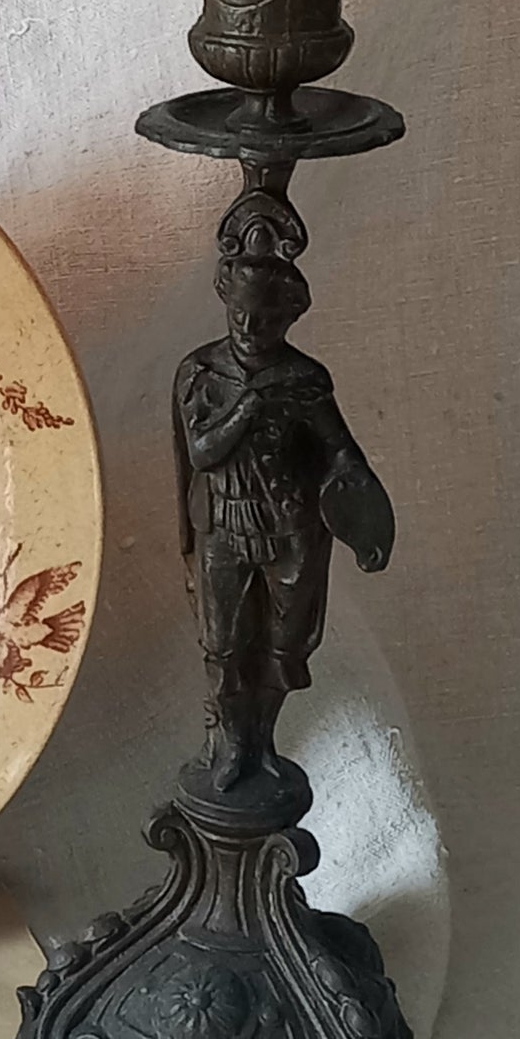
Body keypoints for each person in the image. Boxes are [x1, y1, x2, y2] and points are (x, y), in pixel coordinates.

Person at [174, 193, 394, 795]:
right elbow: (198, 453)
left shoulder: (304, 379)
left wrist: (362, 508)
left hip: (292, 530)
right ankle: (229, 743)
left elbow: (339, 449)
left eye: (267, 320)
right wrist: (247, 406)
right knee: (221, 644)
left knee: (285, 642)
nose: (250, 329)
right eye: (241, 316)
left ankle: (261, 742)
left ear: (289, 318)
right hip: (223, 523)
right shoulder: (202, 373)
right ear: (225, 304)